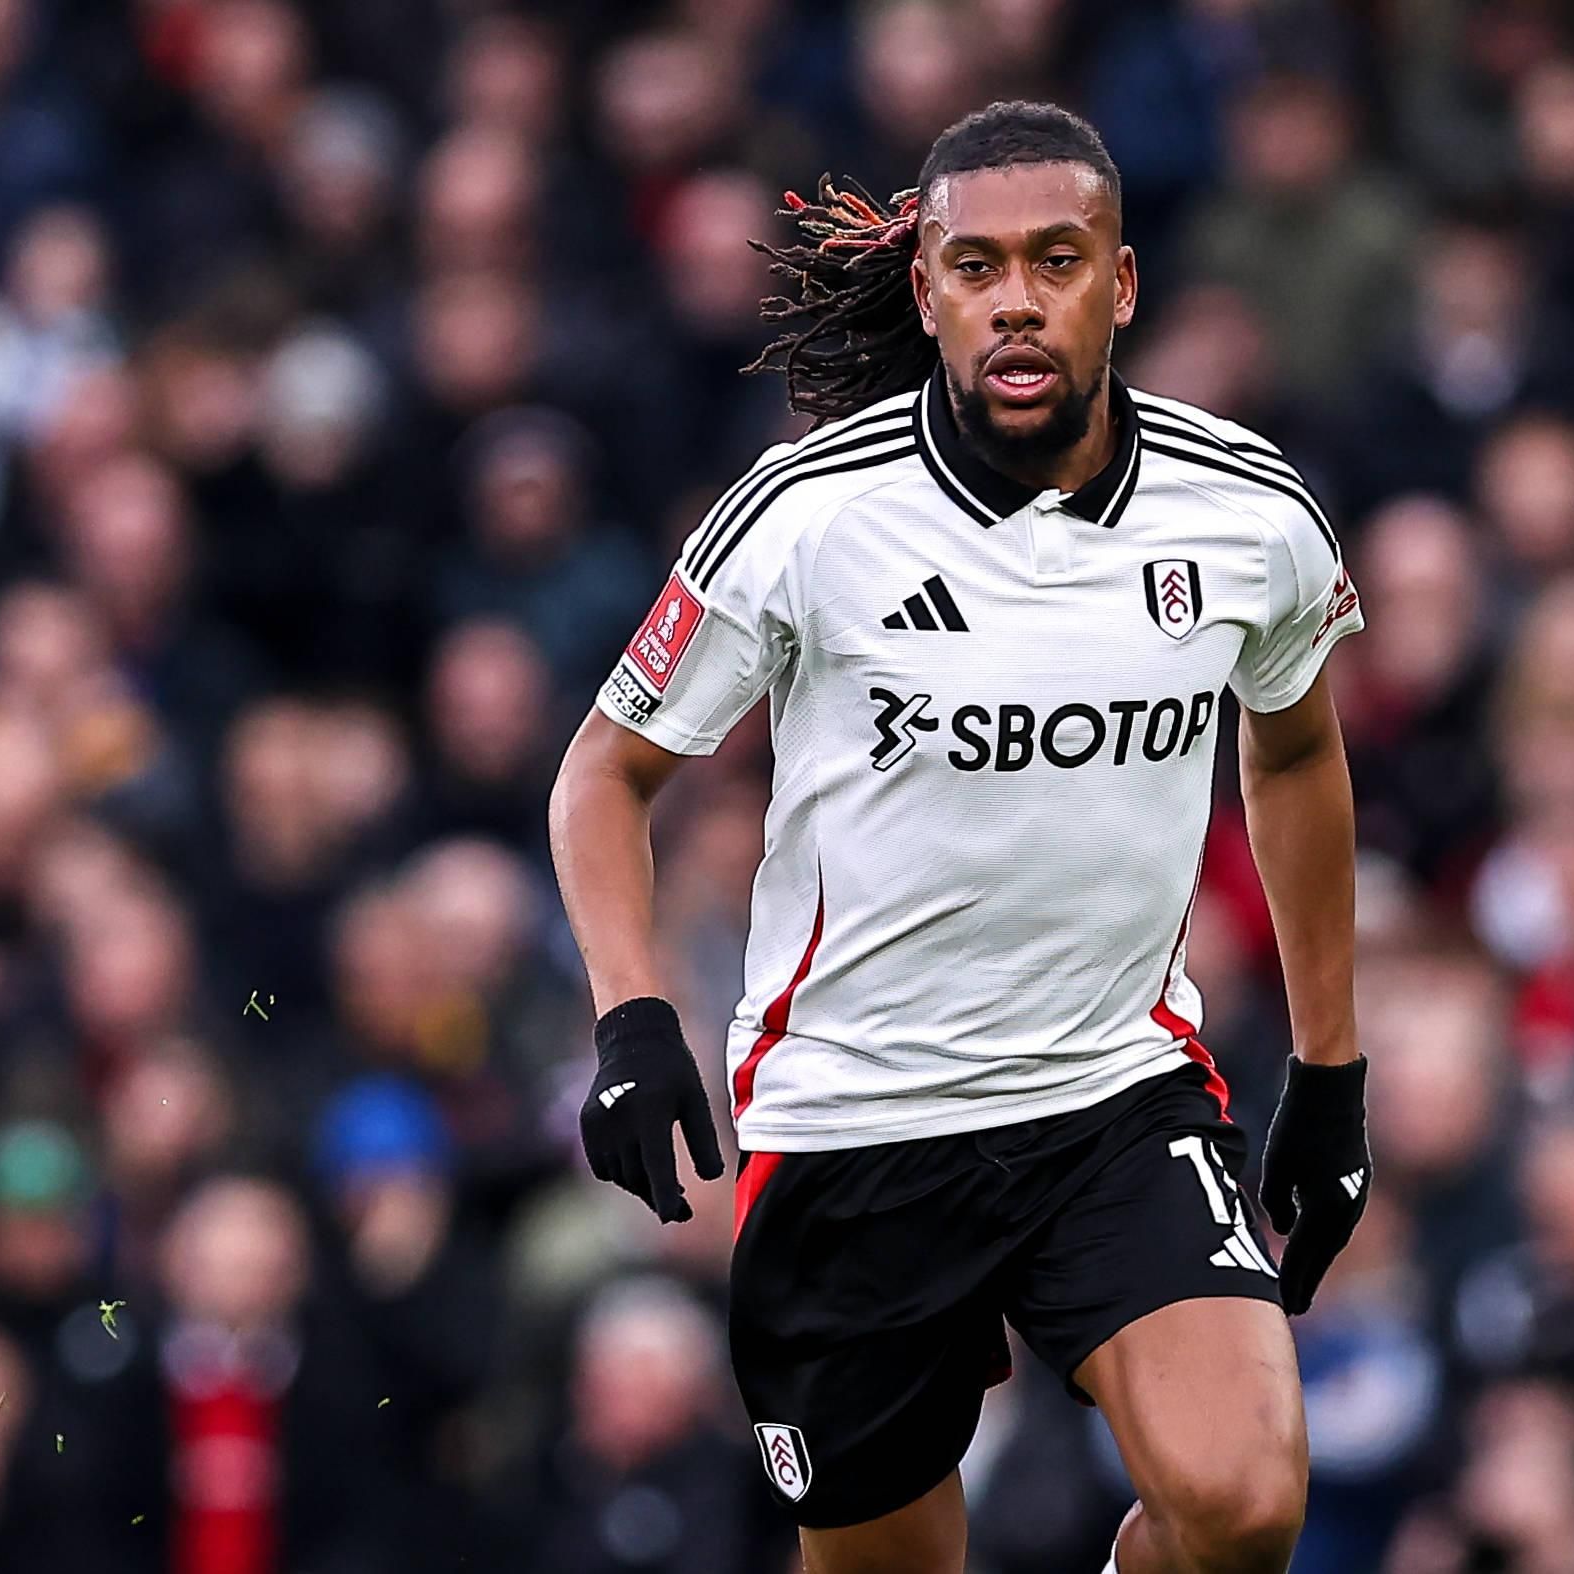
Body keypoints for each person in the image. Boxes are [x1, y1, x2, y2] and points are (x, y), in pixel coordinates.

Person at [548, 102, 1368, 1574]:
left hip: (1112, 1093)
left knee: (1243, 1507)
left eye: (1057, 259)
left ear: (1121, 283)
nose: (1017, 299)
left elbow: (1296, 747)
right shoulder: (807, 518)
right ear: (926, 293)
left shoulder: (1248, 513)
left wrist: (1329, 1067)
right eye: (977, 266)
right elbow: (604, 773)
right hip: (857, 1119)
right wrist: (630, 1018)